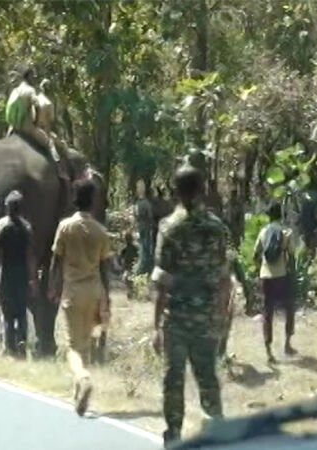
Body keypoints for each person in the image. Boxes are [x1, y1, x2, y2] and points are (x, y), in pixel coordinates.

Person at [152, 161, 229, 444]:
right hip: (206, 316)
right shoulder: (217, 227)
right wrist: (221, 316)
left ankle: (173, 434)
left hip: (176, 317)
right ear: (202, 190)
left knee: (173, 379)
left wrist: (156, 325)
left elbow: (162, 280)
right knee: (207, 377)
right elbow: (224, 278)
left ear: (176, 191)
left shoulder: (169, 227)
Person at [49, 179, 113, 416]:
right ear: (93, 201)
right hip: (94, 291)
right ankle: (78, 395)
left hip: (73, 292)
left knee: (72, 347)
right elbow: (105, 268)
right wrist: (107, 299)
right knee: (84, 343)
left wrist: (53, 286)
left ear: (74, 199)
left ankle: (83, 378)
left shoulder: (65, 227)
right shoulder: (101, 231)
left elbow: (56, 261)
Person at [0, 191, 38, 359]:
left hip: (6, 273)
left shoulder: (1, 225)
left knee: (7, 312)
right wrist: (33, 279)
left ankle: (9, 347)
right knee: (21, 310)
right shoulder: (27, 227)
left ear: (7, 207)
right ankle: (21, 343)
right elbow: (30, 255)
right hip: (22, 274)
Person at [253, 201, 297, 364]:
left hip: (266, 277)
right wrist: (292, 274)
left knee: (267, 313)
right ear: (281, 215)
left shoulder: (263, 232)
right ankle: (287, 344)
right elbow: (292, 257)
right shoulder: (286, 232)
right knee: (289, 309)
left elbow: (255, 255)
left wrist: (261, 269)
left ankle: (268, 352)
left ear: (269, 216)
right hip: (282, 276)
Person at [135, 183, 155, 275]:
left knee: (141, 246)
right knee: (146, 247)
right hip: (146, 227)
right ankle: (146, 267)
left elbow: (135, 216)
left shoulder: (137, 203)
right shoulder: (147, 203)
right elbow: (150, 216)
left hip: (139, 226)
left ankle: (141, 266)